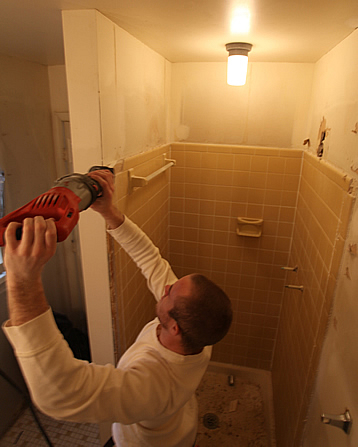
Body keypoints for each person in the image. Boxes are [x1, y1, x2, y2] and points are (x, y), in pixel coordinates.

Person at [2, 169, 233, 447]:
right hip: (179, 423)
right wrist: (109, 212)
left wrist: (23, 280)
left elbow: (60, 393)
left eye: (170, 292)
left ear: (175, 327)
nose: (166, 286)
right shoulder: (199, 332)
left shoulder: (155, 387)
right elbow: (151, 260)